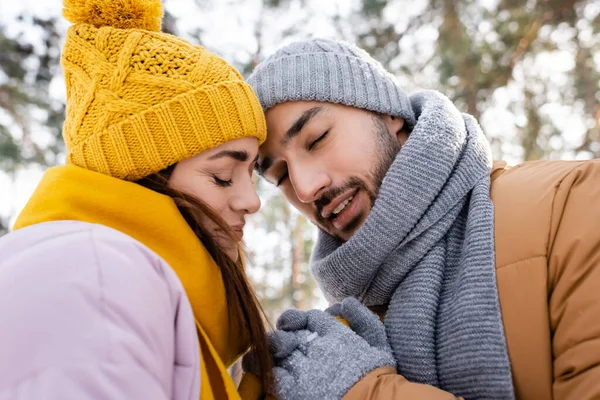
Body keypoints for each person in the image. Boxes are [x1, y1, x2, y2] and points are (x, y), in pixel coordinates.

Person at [243, 38, 600, 399]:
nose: (305, 188)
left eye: (317, 138)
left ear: (388, 112)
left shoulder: (573, 202)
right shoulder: (348, 334)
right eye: (281, 177)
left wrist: (365, 392)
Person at [0, 0, 275, 398]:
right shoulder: (92, 280)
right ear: (142, 173)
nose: (252, 201)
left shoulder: (128, 288)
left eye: (251, 175)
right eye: (222, 176)